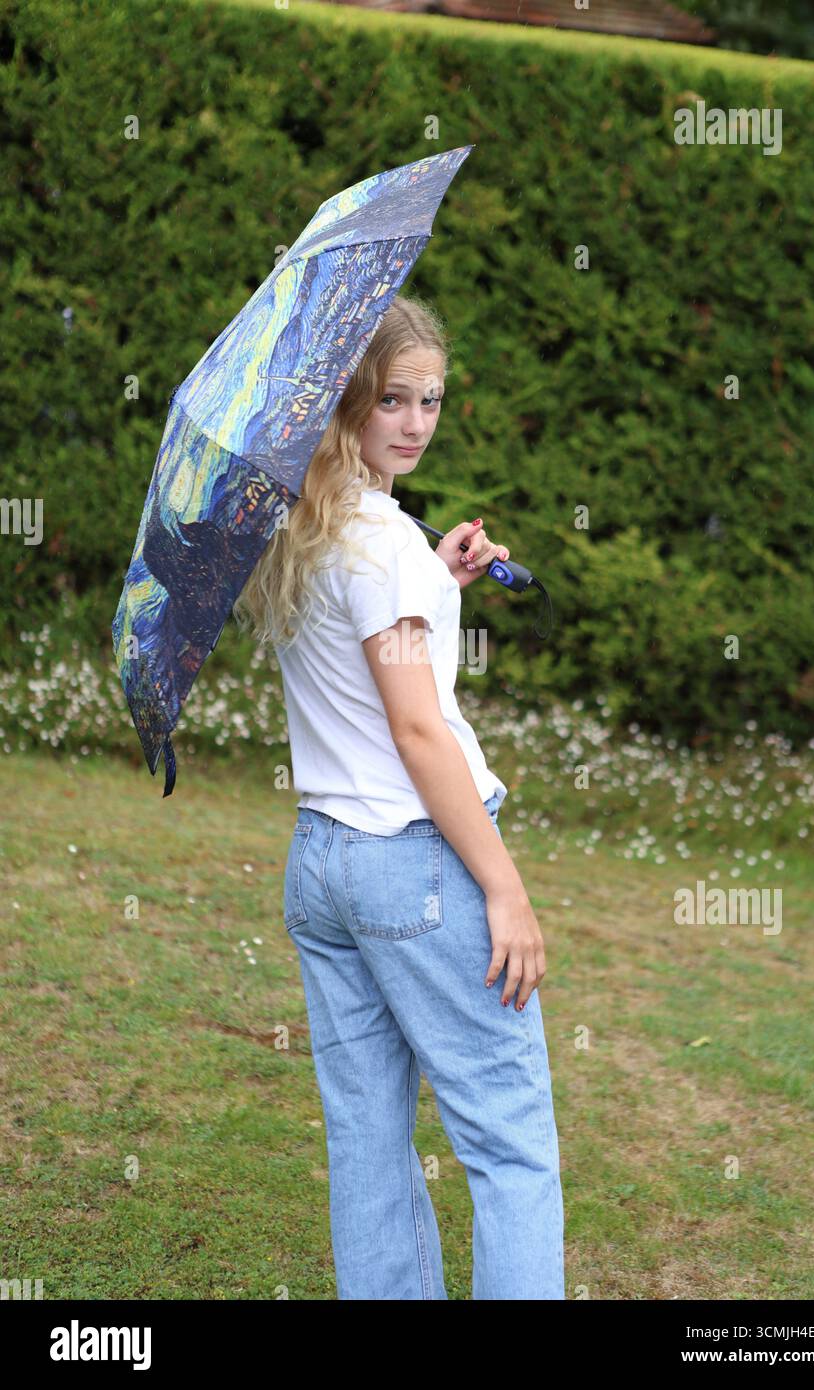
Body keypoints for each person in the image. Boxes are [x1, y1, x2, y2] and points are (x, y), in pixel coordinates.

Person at [233, 294, 564, 1300]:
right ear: (345, 402)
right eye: (391, 399)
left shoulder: (310, 530)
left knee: (368, 1142)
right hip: (411, 864)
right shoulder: (380, 548)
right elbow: (418, 732)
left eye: (428, 399)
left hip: (322, 865)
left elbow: (374, 637)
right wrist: (502, 888)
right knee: (509, 1147)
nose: (415, 421)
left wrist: (440, 570)